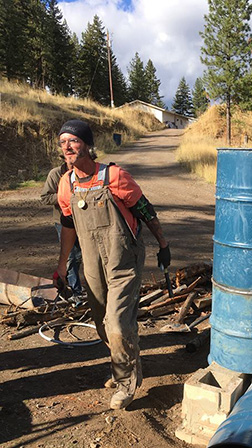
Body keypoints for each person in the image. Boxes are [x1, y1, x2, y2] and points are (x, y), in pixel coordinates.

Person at [54, 119, 171, 410]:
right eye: (63, 142)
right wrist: (62, 265)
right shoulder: (66, 184)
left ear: (87, 144)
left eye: (73, 141)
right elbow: (68, 225)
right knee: (102, 324)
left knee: (117, 322)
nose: (67, 147)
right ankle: (127, 365)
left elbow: (145, 210)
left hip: (124, 261)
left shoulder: (114, 176)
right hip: (93, 263)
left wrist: (163, 245)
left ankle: (125, 382)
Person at [41, 161, 84, 301]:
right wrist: (66, 195)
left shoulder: (85, 173)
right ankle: (75, 292)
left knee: (81, 255)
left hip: (83, 221)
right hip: (63, 221)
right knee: (71, 256)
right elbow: (45, 198)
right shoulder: (55, 174)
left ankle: (78, 288)